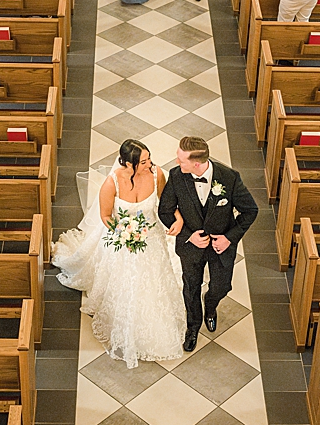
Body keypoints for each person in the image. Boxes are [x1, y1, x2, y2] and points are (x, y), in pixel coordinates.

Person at [53, 140, 187, 368]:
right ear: (128, 163)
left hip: (151, 237)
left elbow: (166, 204)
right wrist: (123, 232)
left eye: (149, 158)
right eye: (143, 162)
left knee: (154, 280)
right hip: (122, 238)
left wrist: (179, 217)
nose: (150, 164)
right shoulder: (112, 182)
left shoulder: (157, 175)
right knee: (124, 281)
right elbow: (106, 216)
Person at [158, 137, 259, 352]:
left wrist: (229, 237)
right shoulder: (177, 176)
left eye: (181, 160)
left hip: (220, 246)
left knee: (222, 286)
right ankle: (193, 326)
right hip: (191, 247)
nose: (177, 163)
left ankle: (211, 306)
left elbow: (251, 210)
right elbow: (165, 211)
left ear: (196, 163)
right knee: (190, 287)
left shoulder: (229, 178)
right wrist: (188, 235)